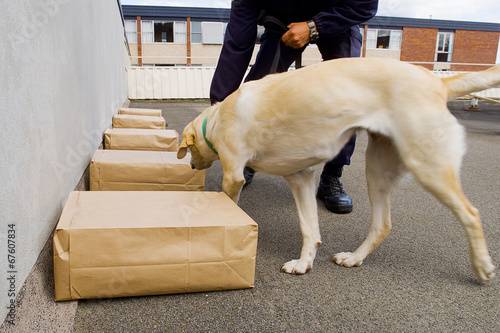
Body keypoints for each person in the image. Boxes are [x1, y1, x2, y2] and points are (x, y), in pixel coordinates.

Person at [209, 0, 379, 214]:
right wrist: (219, 106)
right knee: (261, 87)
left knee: (348, 96)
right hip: (283, 22)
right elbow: (237, 45)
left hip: (337, 16)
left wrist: (314, 27)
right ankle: (250, 158)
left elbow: (364, 6)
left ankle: (332, 175)